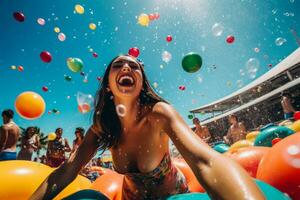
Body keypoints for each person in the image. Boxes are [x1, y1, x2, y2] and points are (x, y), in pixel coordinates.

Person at [30, 55, 264, 200]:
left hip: (175, 196)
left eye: (134, 66)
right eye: (118, 65)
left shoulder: (158, 113)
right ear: (109, 85)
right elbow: (67, 170)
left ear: (141, 82)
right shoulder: (104, 126)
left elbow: (206, 161)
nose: (126, 68)